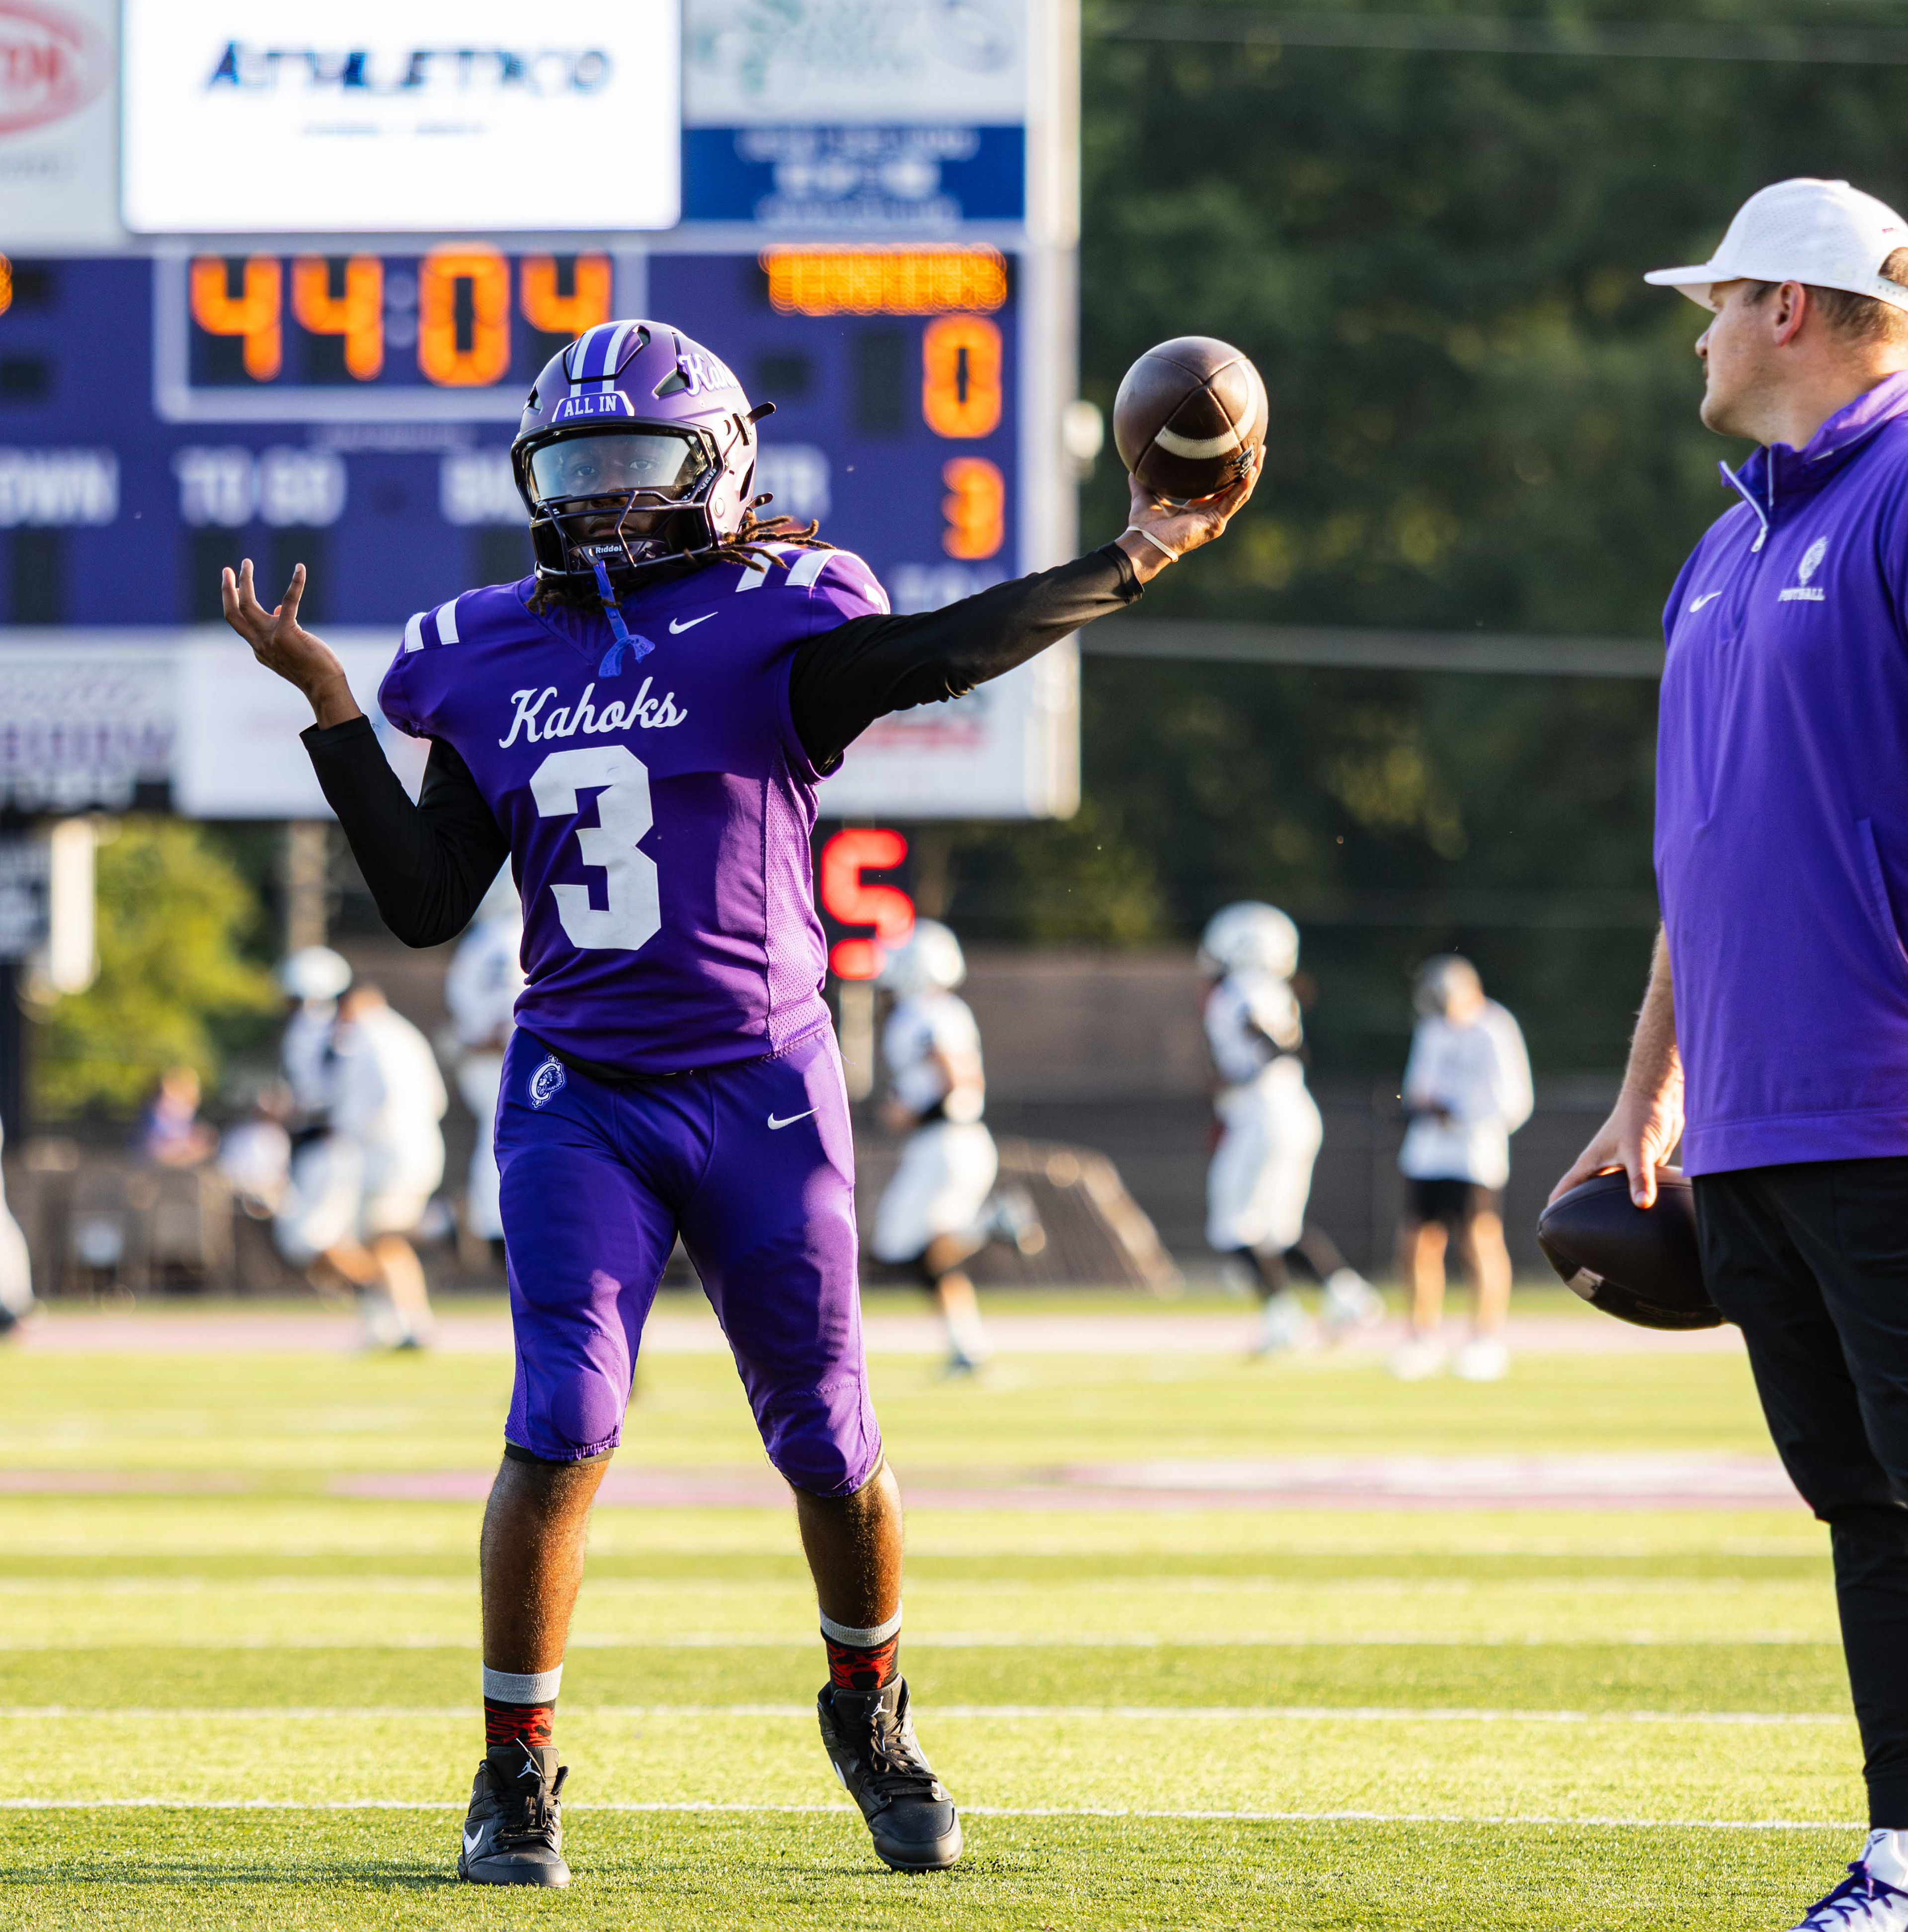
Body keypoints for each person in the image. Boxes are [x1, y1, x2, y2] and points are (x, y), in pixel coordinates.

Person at [218, 313, 1254, 1887]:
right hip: (581, 1094)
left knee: (828, 1436)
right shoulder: (482, 654)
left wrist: (1130, 560)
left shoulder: (780, 620)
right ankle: (514, 1768)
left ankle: (869, 1709)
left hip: (760, 1084)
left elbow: (939, 650)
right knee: (561, 1419)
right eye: (576, 467)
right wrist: (332, 707)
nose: (603, 498)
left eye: (635, 463)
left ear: (717, 466)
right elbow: (425, 903)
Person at [1553, 178, 1908, 1931]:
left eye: (1712, 303)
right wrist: (1650, 1090)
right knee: (1865, 1505)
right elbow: (1707, 852)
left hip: (1889, 1109)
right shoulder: (1721, 549)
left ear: (1787, 307)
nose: (1693, 335)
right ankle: (1901, 1858)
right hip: (1756, 1127)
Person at [1196, 902, 1381, 1353]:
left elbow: (1267, 1045)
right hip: (1292, 1108)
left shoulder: (1238, 991)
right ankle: (1348, 1297)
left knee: (1232, 1227)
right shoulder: (1276, 990)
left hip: (1260, 1113)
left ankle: (1283, 1318)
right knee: (1278, 1229)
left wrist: (1258, 1054)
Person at [870, 919, 1040, 1375]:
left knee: (894, 1245)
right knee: (930, 1255)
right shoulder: (947, 1009)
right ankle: (967, 1348)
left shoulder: (919, 1014)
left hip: (944, 1141)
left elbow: (955, 1073)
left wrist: (912, 1111)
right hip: (960, 1141)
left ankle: (991, 1222)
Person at [1391, 954, 1531, 1382]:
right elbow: (1416, 1087)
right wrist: (1423, 1106)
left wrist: (1460, 1115)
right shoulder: (1432, 1029)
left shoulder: (1495, 1028)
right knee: (1419, 1241)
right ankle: (1422, 1337)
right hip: (1428, 1152)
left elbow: (1514, 1100)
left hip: (1474, 1153)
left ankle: (1485, 1339)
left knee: (1478, 1239)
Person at [444, 872, 525, 1262]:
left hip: (486, 1059)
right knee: (516, 1139)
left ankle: (497, 1230)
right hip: (514, 1058)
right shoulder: (515, 933)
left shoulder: (479, 940)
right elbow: (506, 1012)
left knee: (496, 1139)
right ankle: (504, 1232)